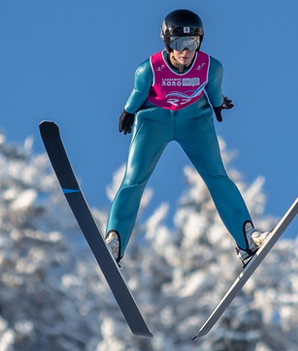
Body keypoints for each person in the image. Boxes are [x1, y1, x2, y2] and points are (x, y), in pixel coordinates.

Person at [105, 9, 270, 266]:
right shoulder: (148, 69)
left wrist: (218, 105)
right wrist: (127, 112)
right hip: (154, 119)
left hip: (193, 119)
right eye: (179, 44)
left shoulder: (211, 67)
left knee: (217, 176)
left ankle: (246, 239)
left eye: (192, 43)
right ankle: (114, 240)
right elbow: (138, 93)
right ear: (167, 44)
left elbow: (214, 90)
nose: (186, 51)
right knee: (134, 180)